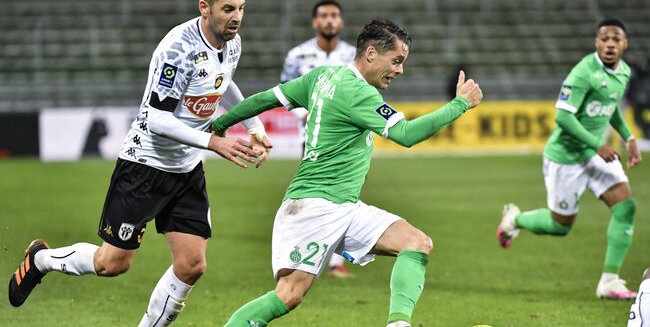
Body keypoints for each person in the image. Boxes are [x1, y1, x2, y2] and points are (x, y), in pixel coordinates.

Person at [8, 0, 270, 326]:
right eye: (228, 9)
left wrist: (254, 124)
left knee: (192, 265)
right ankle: (41, 260)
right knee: (112, 263)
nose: (237, 17)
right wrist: (214, 142)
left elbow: (222, 82)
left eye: (241, 8)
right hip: (145, 164)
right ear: (204, 7)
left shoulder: (232, 42)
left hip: (186, 168)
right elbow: (156, 119)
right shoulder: (177, 49)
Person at [212, 18, 483, 327]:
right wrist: (459, 105)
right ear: (370, 54)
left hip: (344, 205)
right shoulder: (358, 93)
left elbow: (265, 99)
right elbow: (406, 134)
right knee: (288, 294)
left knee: (415, 242)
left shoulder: (322, 77)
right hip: (314, 207)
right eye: (396, 61)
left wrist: (221, 124)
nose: (399, 70)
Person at [497, 18, 642, 300]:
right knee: (560, 226)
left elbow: (610, 108)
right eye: (604, 39)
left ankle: (609, 281)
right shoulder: (583, 73)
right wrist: (597, 144)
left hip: (597, 155)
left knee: (626, 208)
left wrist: (629, 138)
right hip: (566, 158)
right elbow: (562, 116)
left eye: (616, 39)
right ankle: (516, 219)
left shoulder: (623, 71)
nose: (610, 44)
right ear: (596, 43)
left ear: (625, 44)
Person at [280, 0, 356, 278]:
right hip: (311, 139)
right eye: (324, 15)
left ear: (341, 21)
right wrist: (304, 114)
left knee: (343, 197)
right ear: (315, 21)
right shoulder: (297, 56)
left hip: (346, 141)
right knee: (314, 198)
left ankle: (336, 261)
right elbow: (287, 93)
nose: (329, 20)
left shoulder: (353, 56)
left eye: (334, 15)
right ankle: (299, 254)